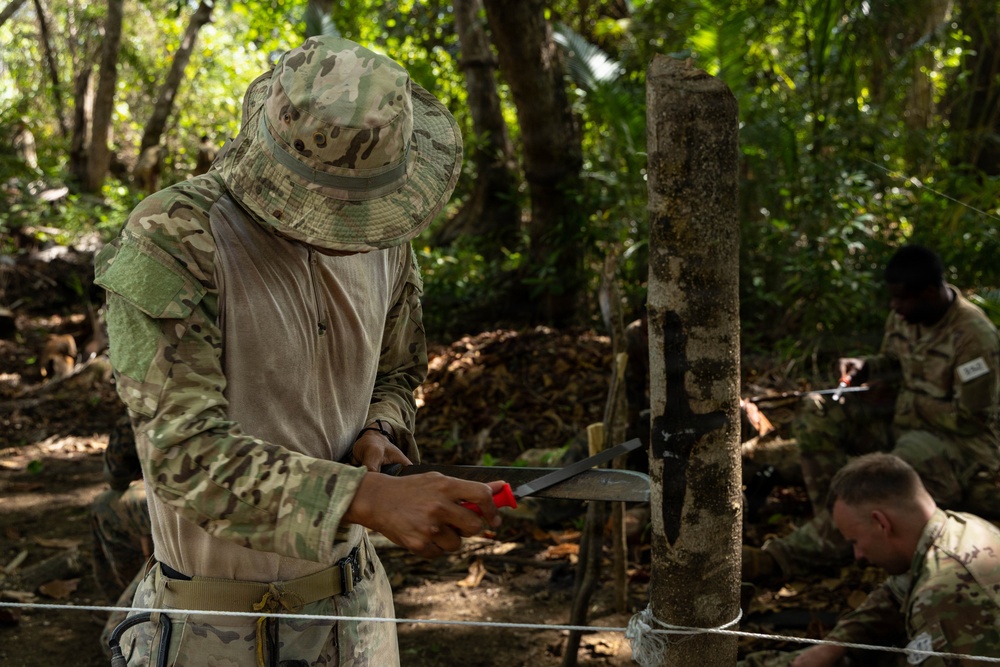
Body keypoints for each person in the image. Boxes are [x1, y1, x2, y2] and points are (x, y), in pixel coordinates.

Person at [94, 35, 505, 665]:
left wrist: (378, 427)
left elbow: (397, 367)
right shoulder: (176, 236)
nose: (350, 233)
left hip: (357, 612)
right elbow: (186, 454)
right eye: (331, 212)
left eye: (362, 214)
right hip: (214, 627)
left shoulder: (385, 239)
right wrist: (369, 500)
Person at [744, 245, 1000, 581]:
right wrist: (866, 367)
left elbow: (972, 419)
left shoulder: (974, 338)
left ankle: (779, 560)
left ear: (928, 292)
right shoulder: (905, 317)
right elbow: (894, 363)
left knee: (891, 479)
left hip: (954, 443)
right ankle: (837, 517)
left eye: (903, 300)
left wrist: (906, 397)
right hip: (900, 422)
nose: (895, 308)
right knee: (817, 409)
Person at [741, 453, 1000, 666]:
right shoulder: (960, 526)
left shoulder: (943, 599)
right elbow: (893, 593)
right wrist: (834, 646)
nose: (858, 556)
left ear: (881, 523)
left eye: (855, 541)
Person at [90, 415, 151, 656]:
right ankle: (128, 600)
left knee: (117, 642)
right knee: (105, 506)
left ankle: (132, 605)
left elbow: (116, 475)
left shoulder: (150, 401)